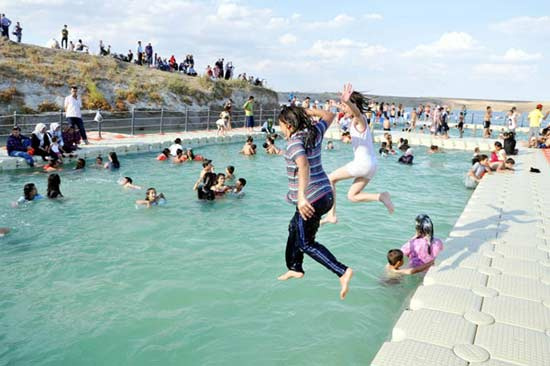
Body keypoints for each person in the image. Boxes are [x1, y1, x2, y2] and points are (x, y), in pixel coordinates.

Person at [277, 104, 353, 300]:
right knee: (294, 228)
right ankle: (295, 267)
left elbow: (303, 165)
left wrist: (301, 197)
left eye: (281, 125)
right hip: (325, 195)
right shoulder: (313, 132)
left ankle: (342, 271)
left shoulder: (294, 142)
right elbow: (329, 114)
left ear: (288, 124)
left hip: (311, 199)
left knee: (305, 243)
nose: (281, 129)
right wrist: (304, 112)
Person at [321, 84, 394, 226]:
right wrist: (342, 103)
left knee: (330, 179)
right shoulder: (356, 121)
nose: (343, 108)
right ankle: (381, 196)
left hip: (362, 164)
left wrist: (348, 102)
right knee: (352, 196)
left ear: (352, 105)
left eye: (344, 106)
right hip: (372, 165)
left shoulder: (360, 120)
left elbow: (356, 112)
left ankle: (331, 215)